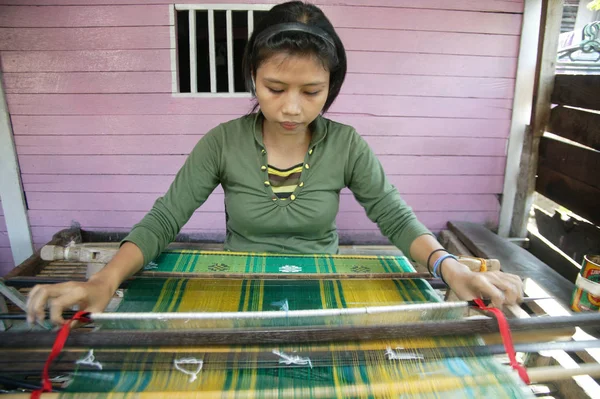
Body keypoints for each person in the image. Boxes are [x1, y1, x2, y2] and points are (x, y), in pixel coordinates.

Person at [27, 1, 523, 325]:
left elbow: (394, 216)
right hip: (235, 289)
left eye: (312, 92)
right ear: (252, 79)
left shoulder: (346, 145)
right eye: (274, 89)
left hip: (324, 289)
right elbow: (164, 219)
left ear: (331, 86)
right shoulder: (222, 143)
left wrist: (449, 266)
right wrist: (102, 282)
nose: (292, 108)